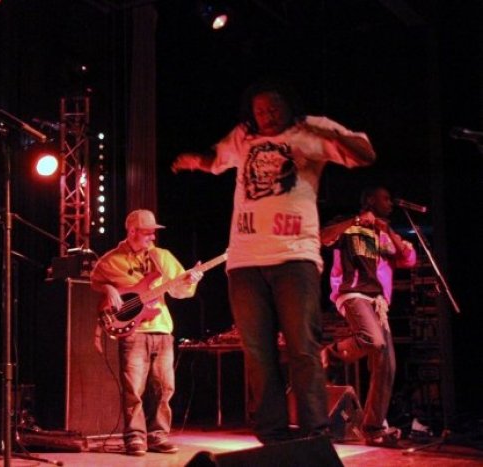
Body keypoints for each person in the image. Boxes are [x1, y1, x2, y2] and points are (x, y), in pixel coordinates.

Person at [171, 80, 376, 444]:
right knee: (258, 352)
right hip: (245, 261)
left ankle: (314, 434)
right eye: (260, 110)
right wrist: (195, 162)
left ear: (289, 105)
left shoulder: (310, 129)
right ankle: (272, 435)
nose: (267, 116)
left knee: (302, 347)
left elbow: (364, 155)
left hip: (295, 257)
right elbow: (215, 160)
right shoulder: (244, 136)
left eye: (273, 108)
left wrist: (327, 132)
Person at [90, 209, 203, 456]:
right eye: (147, 233)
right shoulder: (111, 260)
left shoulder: (162, 257)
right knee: (134, 389)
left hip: (161, 327)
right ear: (132, 231)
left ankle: (157, 435)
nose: (152, 237)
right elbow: (94, 280)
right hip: (133, 331)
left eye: (153, 233)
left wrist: (191, 280)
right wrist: (108, 287)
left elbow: (179, 291)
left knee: (164, 388)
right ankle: (135, 437)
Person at [320, 186, 416, 447]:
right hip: (352, 294)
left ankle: (373, 428)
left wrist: (388, 231)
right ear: (371, 200)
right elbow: (323, 237)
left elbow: (408, 258)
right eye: (385, 198)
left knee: (388, 364)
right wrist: (356, 220)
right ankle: (331, 353)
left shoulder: (384, 234)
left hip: (378, 302)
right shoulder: (349, 226)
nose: (391, 203)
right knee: (374, 341)